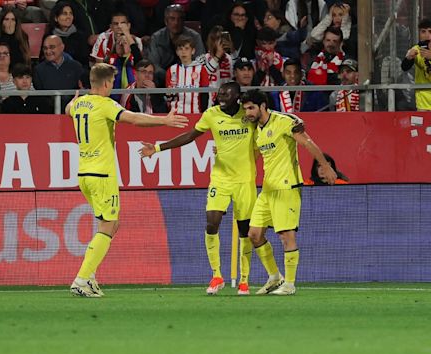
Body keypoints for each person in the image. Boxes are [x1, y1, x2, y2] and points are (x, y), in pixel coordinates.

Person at [66, 63, 188, 298]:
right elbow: (133, 119)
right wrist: (164, 121)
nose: (112, 87)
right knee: (108, 225)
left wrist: (72, 101)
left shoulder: (79, 104)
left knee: (112, 224)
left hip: (83, 174)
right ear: (105, 84)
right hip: (102, 174)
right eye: (112, 83)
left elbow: (69, 109)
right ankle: (81, 279)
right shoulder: (106, 104)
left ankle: (89, 277)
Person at [140, 82, 258, 296]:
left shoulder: (248, 114)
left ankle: (244, 280)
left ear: (238, 96)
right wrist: (157, 148)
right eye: (220, 93)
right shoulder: (211, 114)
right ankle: (216, 275)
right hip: (220, 179)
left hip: (245, 181)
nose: (221, 96)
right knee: (212, 222)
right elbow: (190, 136)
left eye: (226, 93)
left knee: (244, 230)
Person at [240, 89, 337, 295]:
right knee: (254, 234)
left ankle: (290, 284)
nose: (247, 112)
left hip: (287, 187)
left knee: (286, 236)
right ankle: (275, 277)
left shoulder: (283, 121)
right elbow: (252, 154)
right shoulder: (256, 130)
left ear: (263, 106)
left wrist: (326, 166)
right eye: (245, 108)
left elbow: (307, 142)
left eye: (251, 108)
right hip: (267, 190)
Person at [146, 3, 205, 85]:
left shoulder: (194, 37)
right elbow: (154, 65)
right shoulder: (156, 38)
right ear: (166, 21)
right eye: (172, 19)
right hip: (163, 80)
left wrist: (184, 76)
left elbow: (200, 61)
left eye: (180, 19)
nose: (176, 22)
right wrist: (170, 76)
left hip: (190, 80)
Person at [33, 35, 85, 110]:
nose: (48, 51)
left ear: (62, 47)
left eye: (52, 47)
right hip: (48, 114)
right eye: (45, 48)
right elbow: (40, 97)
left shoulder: (76, 67)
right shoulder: (39, 70)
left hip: (72, 112)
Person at [166, 35, 209, 113]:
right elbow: (169, 95)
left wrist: (202, 113)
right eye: (180, 49)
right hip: (175, 114)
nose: (183, 52)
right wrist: (169, 95)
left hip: (196, 112)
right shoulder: (171, 70)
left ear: (193, 51)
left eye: (186, 48)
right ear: (177, 52)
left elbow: (205, 95)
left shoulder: (201, 69)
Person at [44, 1, 90, 68]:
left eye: (70, 13)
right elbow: (44, 60)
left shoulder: (80, 36)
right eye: (64, 14)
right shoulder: (49, 37)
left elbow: (84, 62)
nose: (68, 17)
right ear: (56, 18)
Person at [401, 18, 431, 111]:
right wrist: (408, 58)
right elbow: (404, 67)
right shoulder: (416, 49)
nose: (427, 35)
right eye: (423, 32)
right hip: (423, 103)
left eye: (430, 31)